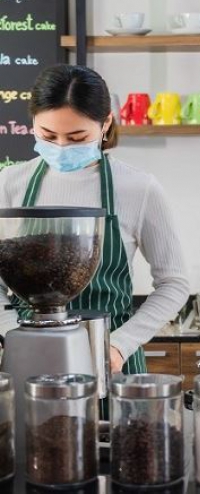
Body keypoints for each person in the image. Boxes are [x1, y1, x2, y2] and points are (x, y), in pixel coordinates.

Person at [0, 64, 190, 377]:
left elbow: (174, 284)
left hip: (111, 364)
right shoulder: (9, 183)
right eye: (48, 135)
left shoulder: (138, 188)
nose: (61, 147)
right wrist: (12, 336)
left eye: (77, 137)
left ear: (105, 125)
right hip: (29, 360)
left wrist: (119, 345)